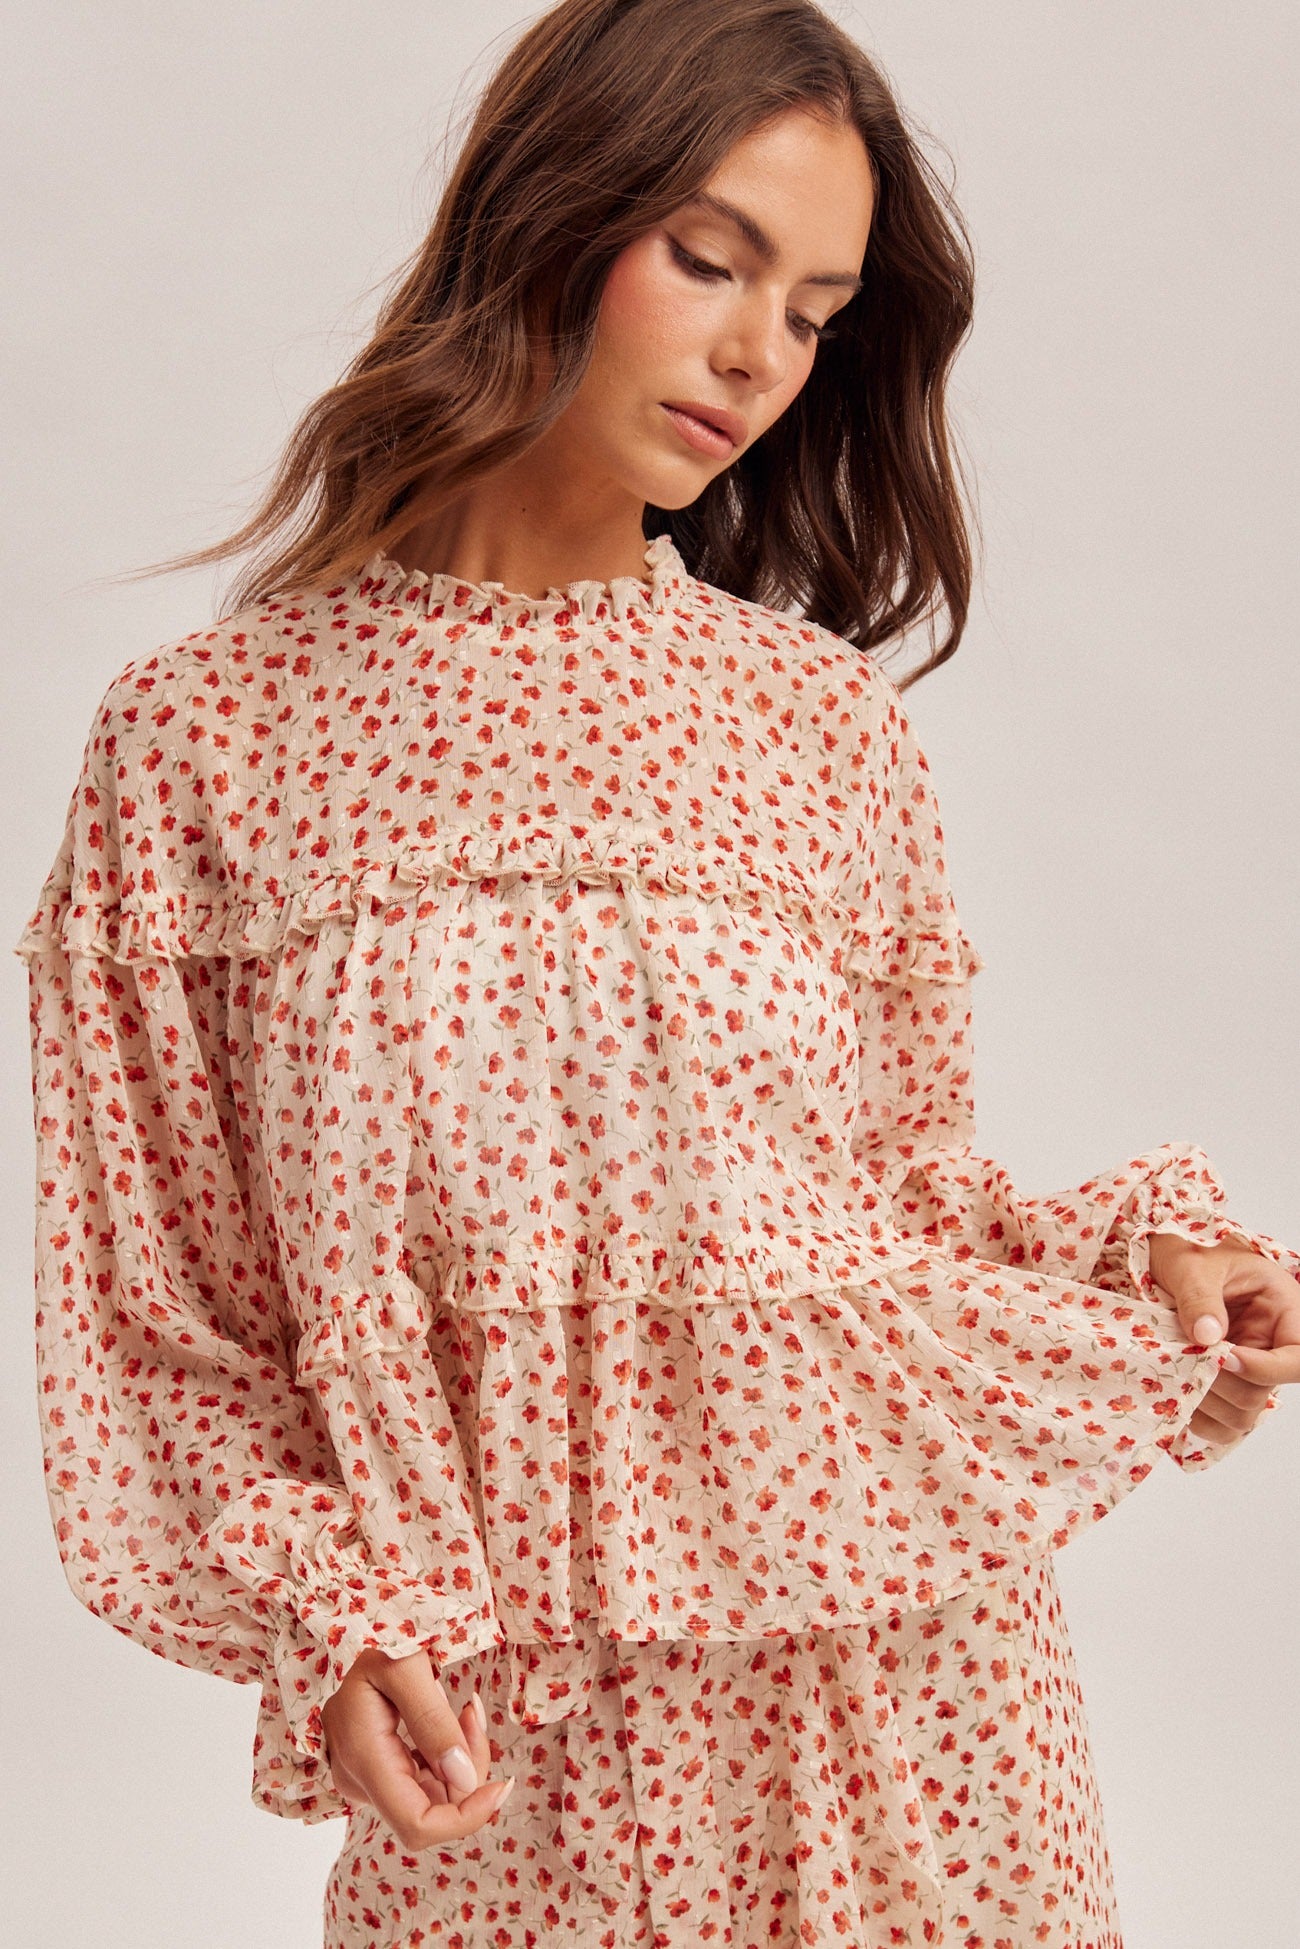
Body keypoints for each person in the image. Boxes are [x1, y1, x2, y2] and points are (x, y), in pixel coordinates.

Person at [18, 2, 1299, 1945]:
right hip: (516, 1773)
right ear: (545, 219)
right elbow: (178, 1324)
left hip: (905, 1727)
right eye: (706, 259)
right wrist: (336, 1617)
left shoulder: (815, 729)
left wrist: (1138, 1272)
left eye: (808, 309)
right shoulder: (206, 745)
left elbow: (897, 1209)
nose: (750, 356)